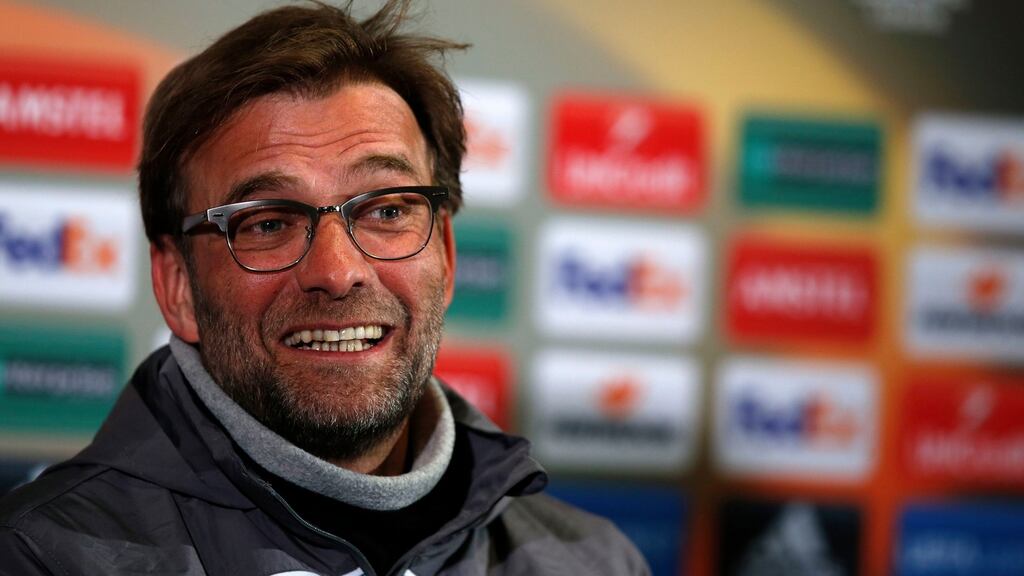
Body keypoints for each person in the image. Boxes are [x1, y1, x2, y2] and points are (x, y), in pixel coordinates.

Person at [0, 1, 649, 575]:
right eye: (269, 222)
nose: (338, 272)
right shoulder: (41, 557)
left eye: (388, 210)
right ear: (178, 287)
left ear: (447, 256)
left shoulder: (593, 562)